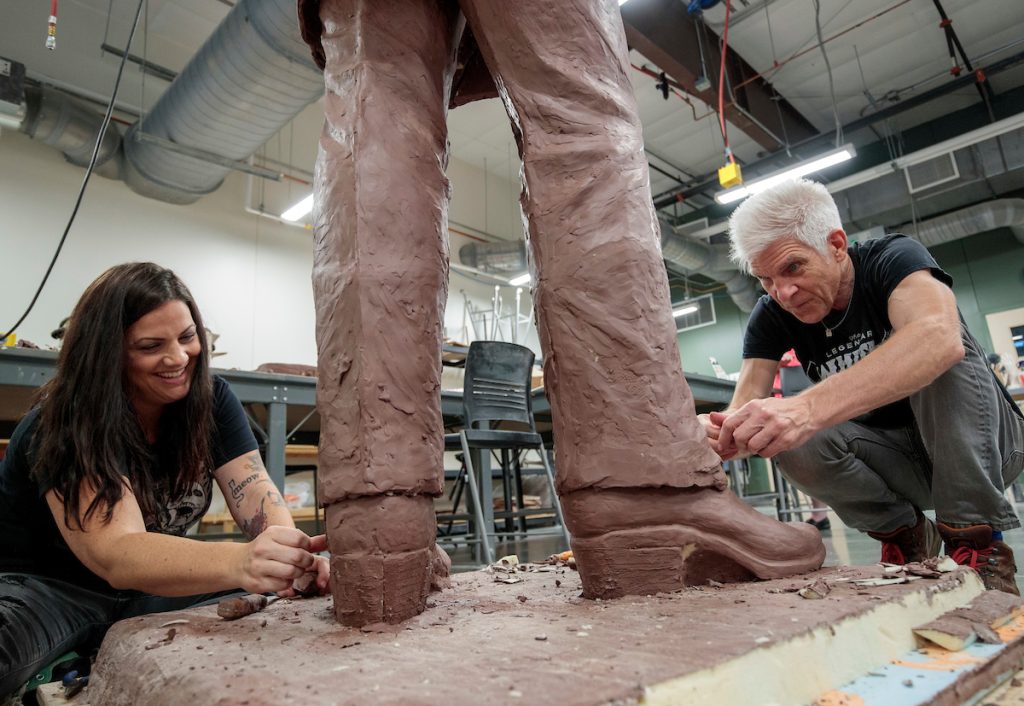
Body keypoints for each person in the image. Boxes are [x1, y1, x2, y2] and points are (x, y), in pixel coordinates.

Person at [0, 263, 330, 701]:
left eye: (188, 337)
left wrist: (287, 554)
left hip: (156, 588)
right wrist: (244, 562)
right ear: (106, 353)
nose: (177, 358)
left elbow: (253, 488)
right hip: (53, 592)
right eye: (151, 346)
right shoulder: (64, 421)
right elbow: (118, 553)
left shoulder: (210, 400)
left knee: (290, 601)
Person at [701, 178, 1024, 594]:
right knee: (778, 432)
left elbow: (938, 337)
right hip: (897, 465)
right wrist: (712, 433)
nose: (783, 292)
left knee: (937, 346)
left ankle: (974, 542)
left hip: (988, 452)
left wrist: (806, 409)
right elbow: (742, 406)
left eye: (793, 267)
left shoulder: (891, 259)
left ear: (836, 245)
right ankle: (905, 534)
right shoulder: (772, 314)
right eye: (764, 279)